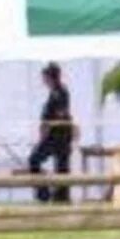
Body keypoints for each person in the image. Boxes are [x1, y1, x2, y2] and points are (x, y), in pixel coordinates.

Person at [29, 63, 74, 203]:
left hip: (59, 136)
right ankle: (49, 194)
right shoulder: (54, 92)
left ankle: (54, 196)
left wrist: (46, 128)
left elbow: (60, 115)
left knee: (37, 160)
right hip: (54, 135)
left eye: (45, 77)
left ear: (50, 77)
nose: (43, 80)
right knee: (57, 166)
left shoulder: (60, 93)